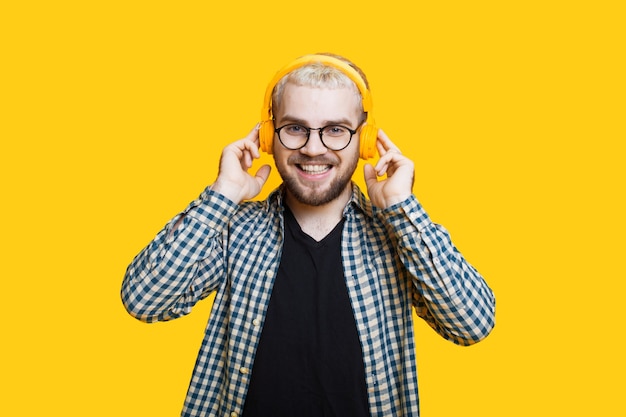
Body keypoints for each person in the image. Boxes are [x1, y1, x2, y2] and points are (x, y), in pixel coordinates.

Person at [121, 53, 496, 417]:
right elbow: (144, 300)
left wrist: (401, 207)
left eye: (336, 129)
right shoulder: (234, 229)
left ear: (364, 140)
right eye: (295, 128)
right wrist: (223, 195)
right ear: (268, 136)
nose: (313, 148)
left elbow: (472, 325)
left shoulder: (398, 234)